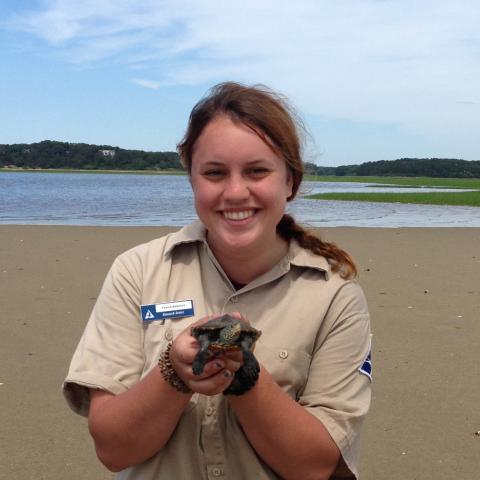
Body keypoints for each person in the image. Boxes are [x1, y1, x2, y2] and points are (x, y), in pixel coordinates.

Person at [63, 82, 372, 480]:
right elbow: (113, 449)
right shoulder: (136, 271)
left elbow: (314, 466)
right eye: (214, 173)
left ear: (289, 181)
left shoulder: (334, 295)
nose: (235, 191)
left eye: (257, 171)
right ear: (192, 179)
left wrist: (244, 377)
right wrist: (173, 373)